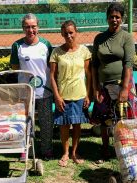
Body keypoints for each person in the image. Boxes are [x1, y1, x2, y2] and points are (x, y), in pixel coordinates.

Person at [91, 2, 137, 164]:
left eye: (117, 17)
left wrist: (125, 88)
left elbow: (128, 64)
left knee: (126, 120)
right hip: (104, 86)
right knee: (105, 120)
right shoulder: (99, 38)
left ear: (122, 19)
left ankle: (128, 150)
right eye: (111, 16)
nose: (114, 19)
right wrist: (96, 88)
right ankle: (105, 150)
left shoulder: (127, 37)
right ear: (107, 18)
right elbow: (95, 65)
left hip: (122, 84)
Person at [10, 13, 54, 160]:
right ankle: (25, 149)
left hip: (45, 91)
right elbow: (15, 67)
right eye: (27, 27)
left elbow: (51, 67)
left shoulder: (46, 45)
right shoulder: (17, 46)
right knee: (24, 122)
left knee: (46, 122)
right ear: (23, 28)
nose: (31, 30)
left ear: (38, 27)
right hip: (24, 92)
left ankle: (46, 150)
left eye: (33, 26)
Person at [50, 20, 91, 167]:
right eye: (66, 33)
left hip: (80, 94)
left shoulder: (84, 51)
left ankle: (75, 152)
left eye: (71, 32)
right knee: (64, 125)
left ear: (76, 32)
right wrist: (57, 96)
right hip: (63, 96)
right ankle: (66, 152)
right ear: (62, 34)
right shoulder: (56, 52)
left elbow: (89, 74)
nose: (69, 35)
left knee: (77, 124)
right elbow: (52, 76)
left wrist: (88, 95)